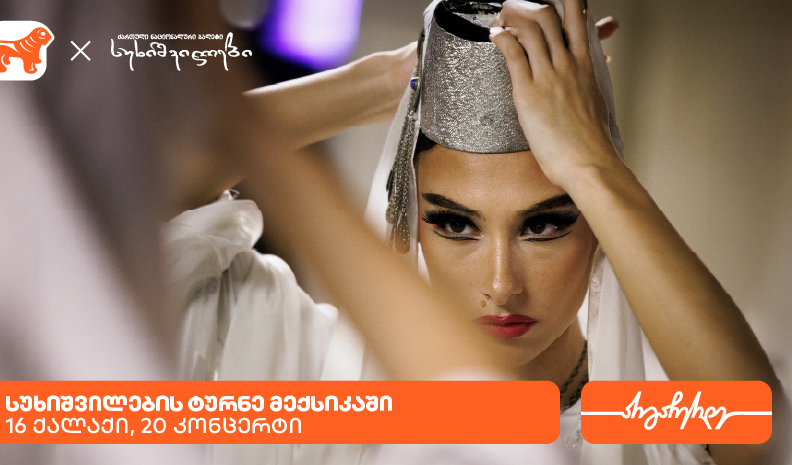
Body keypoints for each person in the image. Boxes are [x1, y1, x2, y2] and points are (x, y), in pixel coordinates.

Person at [168, 1, 791, 464]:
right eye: (455, 224)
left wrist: (590, 165)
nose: (501, 285)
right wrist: (395, 80)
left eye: (544, 225)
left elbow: (761, 434)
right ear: (407, 216)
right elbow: (153, 189)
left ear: (601, 225)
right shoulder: (311, 380)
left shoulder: (649, 424)